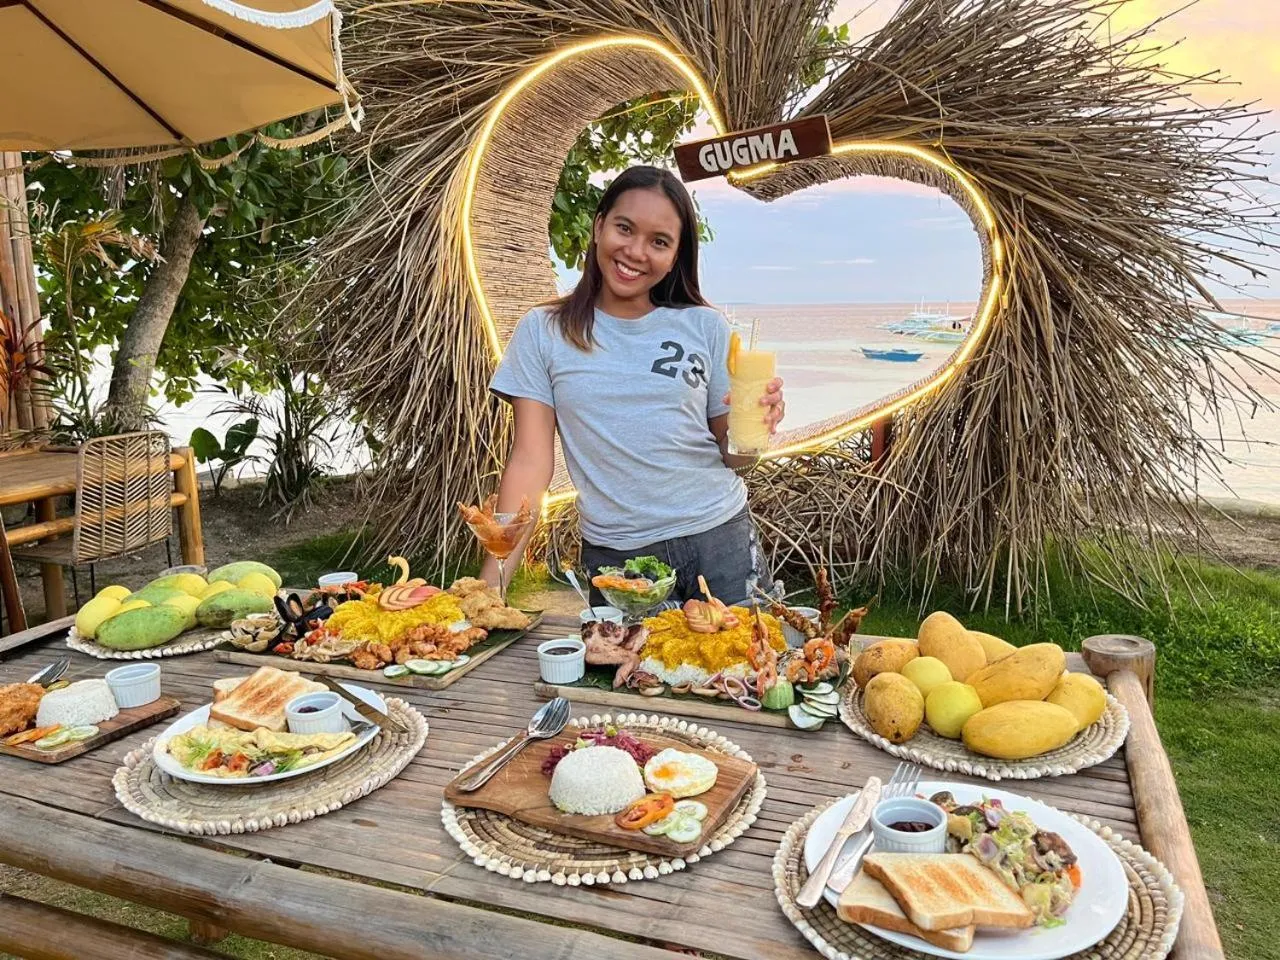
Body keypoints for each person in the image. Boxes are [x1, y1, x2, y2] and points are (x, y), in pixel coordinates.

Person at [483, 165, 785, 606]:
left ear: (676, 255)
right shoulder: (543, 332)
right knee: (629, 675)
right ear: (599, 225)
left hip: (721, 538)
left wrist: (757, 424)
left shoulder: (705, 327)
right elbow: (530, 463)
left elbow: (736, 458)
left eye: (659, 242)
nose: (636, 251)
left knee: (748, 673)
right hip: (620, 557)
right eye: (625, 228)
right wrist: (492, 583)